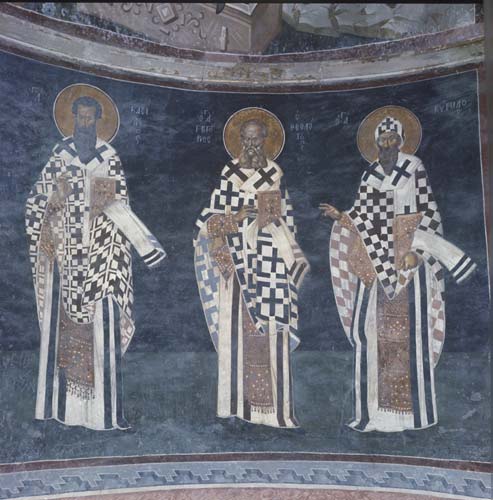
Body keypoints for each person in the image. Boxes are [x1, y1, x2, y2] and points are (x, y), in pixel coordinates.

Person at [321, 108, 476, 432]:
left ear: (401, 141)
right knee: (371, 334)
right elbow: (363, 217)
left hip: (408, 267)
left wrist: (418, 254)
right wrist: (341, 217)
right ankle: (373, 415)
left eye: (393, 139)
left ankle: (414, 416)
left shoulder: (413, 167)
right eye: (383, 140)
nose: (388, 144)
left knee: (410, 336)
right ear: (376, 143)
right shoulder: (370, 174)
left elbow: (428, 213)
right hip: (376, 264)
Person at [25, 88, 165, 430]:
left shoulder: (109, 156)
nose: (85, 124)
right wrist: (53, 201)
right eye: (81, 118)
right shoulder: (60, 155)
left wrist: (108, 208)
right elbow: (35, 203)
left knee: (102, 331)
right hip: (65, 257)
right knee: (64, 332)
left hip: (101, 257)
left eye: (91, 119)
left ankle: (104, 415)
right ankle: (60, 410)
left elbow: (121, 205)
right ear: (72, 119)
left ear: (99, 122)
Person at [194, 109, 309, 428]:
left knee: (272, 332)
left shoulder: (275, 176)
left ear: (266, 140)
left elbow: (288, 224)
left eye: (257, 139)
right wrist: (236, 218)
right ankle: (236, 407)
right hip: (236, 266)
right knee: (238, 335)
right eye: (246, 139)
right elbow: (206, 223)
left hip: (271, 266)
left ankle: (276, 413)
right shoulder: (229, 175)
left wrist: (271, 226)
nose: (251, 145)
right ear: (239, 141)